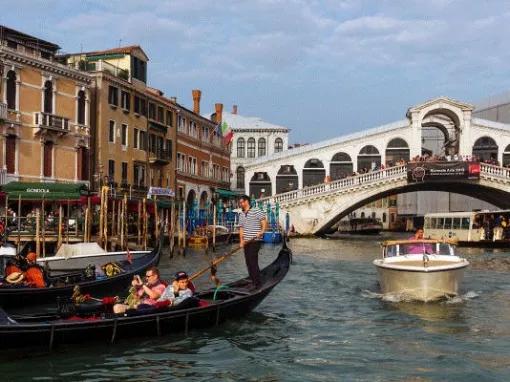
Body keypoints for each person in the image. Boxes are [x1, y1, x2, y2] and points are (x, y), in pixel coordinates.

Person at [238, 195, 267, 289]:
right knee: (248, 262)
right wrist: (241, 241)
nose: (240, 204)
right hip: (246, 242)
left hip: (255, 240)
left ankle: (257, 283)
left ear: (246, 201)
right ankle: (253, 280)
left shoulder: (256, 210)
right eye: (240, 202)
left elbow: (264, 222)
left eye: (241, 202)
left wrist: (262, 231)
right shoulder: (241, 214)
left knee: (252, 260)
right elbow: (241, 228)